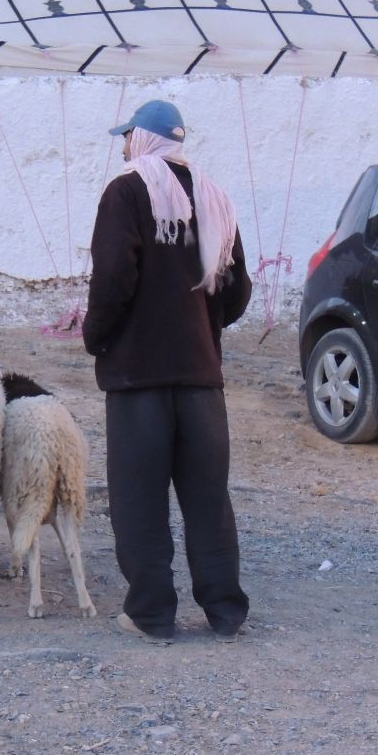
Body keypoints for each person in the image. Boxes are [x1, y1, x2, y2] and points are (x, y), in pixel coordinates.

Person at [83, 100, 252, 643]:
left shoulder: (127, 191)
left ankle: (152, 615)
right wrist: (203, 326)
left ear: (141, 139)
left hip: (138, 378)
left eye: (126, 135)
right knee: (208, 499)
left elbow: (112, 276)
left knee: (139, 500)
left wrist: (98, 335)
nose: (122, 145)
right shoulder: (215, 196)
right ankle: (226, 612)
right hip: (201, 378)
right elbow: (238, 288)